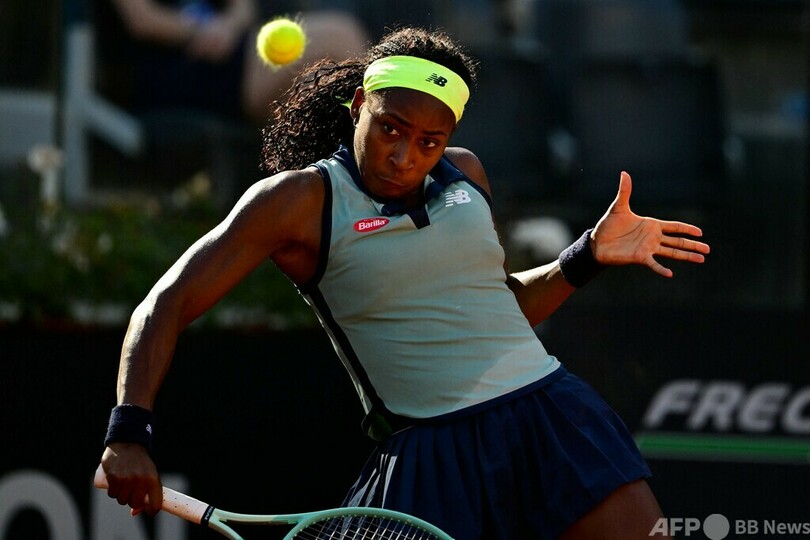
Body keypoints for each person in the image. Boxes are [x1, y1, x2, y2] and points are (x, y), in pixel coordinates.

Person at [98, 26, 710, 539]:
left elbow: (498, 309)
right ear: (359, 103)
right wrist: (128, 432)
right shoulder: (297, 202)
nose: (404, 156)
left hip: (551, 418)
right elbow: (167, 302)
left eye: (428, 142)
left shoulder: (466, 176)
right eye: (390, 128)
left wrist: (586, 255)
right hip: (431, 457)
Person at [101, 0, 369, 124]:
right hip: (173, 64)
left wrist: (227, 27)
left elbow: (243, 8)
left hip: (226, 47)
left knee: (321, 83)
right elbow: (142, 21)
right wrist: (200, 32)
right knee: (340, 33)